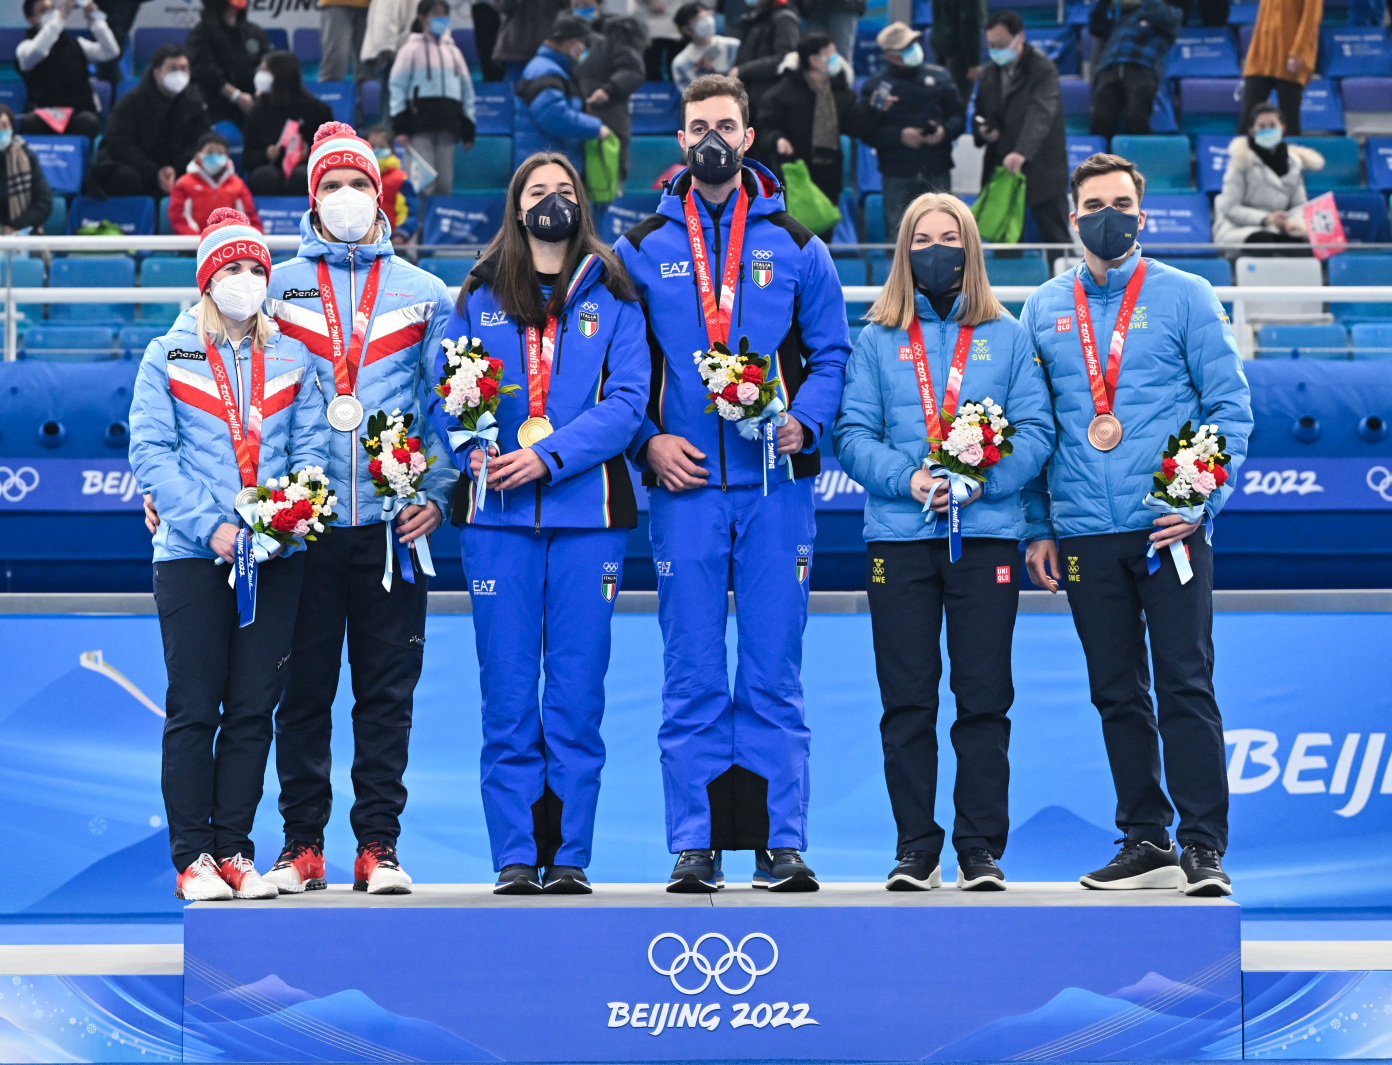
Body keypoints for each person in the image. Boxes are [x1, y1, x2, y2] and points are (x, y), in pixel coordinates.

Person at [614, 74, 850, 893]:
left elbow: (832, 357)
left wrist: (805, 422)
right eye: (697, 125)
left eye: (726, 124)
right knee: (691, 671)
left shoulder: (797, 245)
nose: (712, 136)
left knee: (773, 669)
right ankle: (696, 843)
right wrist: (649, 442)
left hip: (775, 487)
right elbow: (617, 368)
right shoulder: (640, 248)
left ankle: (780, 841)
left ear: (748, 137)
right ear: (680, 141)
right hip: (685, 490)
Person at [1020, 153, 1252, 897]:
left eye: (1122, 202)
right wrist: (1037, 526)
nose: (1108, 215)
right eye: (1095, 203)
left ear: (1141, 215)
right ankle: (1144, 838)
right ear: (1073, 216)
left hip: (1168, 529)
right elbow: (1035, 424)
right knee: (1116, 690)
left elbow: (1229, 408)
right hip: (1085, 530)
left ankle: (1203, 846)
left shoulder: (1187, 295)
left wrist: (1194, 500)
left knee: (1186, 682)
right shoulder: (1042, 307)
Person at [426, 152, 648, 895]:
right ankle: (517, 855)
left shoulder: (615, 290)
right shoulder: (479, 294)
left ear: (580, 203)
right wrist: (476, 445)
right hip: (497, 521)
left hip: (590, 519)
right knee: (510, 692)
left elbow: (626, 404)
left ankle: (571, 856)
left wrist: (548, 457)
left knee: (578, 693)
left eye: (563, 191)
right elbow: (446, 395)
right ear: (516, 208)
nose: (551, 201)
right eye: (535, 191)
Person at [832, 192, 1053, 892]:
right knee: (907, 700)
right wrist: (911, 478)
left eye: (949, 238)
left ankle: (980, 848)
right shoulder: (874, 339)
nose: (936, 250)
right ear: (904, 252)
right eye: (922, 238)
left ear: (970, 249)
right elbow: (851, 436)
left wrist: (979, 485)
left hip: (985, 537)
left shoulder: (1009, 336)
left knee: (984, 696)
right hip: (899, 539)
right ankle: (915, 848)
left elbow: (1037, 432)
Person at [259, 122, 456, 896]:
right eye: (333, 185)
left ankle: (380, 845)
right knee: (300, 692)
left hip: (388, 529)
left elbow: (451, 410)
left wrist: (436, 493)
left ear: (382, 194)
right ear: (313, 197)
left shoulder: (424, 292)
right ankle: (300, 845)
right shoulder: (272, 285)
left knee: (385, 695)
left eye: (360, 184)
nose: (347, 198)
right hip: (302, 533)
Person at [129, 208, 330, 902]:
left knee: (253, 706)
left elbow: (310, 451)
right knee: (195, 705)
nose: (245, 280)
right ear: (207, 279)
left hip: (274, 557)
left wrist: (287, 515)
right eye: (231, 268)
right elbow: (151, 455)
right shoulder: (168, 353)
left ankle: (234, 849)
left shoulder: (293, 359)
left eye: (255, 268)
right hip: (191, 557)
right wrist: (213, 526)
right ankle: (192, 859)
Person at [973, 11, 1072, 252]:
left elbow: (1041, 114)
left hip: (1042, 167)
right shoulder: (988, 73)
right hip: (1002, 168)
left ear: (1020, 38)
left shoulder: (1043, 69)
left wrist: (1021, 152)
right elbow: (980, 113)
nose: (996, 50)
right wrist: (983, 132)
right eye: (992, 45)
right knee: (1003, 240)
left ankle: (1068, 288)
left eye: (1002, 45)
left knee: (1056, 238)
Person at [858, 22, 965, 239]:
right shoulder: (876, 87)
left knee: (945, 232)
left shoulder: (940, 76)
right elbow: (866, 131)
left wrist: (944, 132)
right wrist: (900, 136)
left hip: (936, 167)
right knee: (898, 235)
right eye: (907, 47)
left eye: (914, 44)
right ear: (890, 56)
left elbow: (958, 117)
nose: (915, 49)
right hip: (897, 171)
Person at [756, 33, 857, 234]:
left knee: (823, 235)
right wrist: (778, 138)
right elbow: (764, 128)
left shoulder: (840, 91)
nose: (837, 58)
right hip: (796, 171)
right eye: (830, 54)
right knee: (793, 235)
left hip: (830, 171)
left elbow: (857, 125)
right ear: (813, 60)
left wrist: (875, 109)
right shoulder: (784, 93)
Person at [86, 45, 210, 199]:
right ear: (157, 74)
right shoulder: (131, 102)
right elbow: (120, 144)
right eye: (172, 68)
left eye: (184, 68)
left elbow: (201, 140)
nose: (179, 74)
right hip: (139, 166)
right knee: (126, 178)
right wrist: (154, 172)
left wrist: (175, 168)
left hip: (177, 166)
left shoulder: (195, 102)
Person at [388, 0, 477, 196]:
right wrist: (400, 125)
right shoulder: (409, 50)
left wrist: (468, 125)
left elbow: (466, 90)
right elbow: (397, 88)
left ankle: (436, 226)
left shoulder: (453, 52)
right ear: (422, 18)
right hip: (419, 127)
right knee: (422, 185)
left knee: (444, 185)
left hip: (448, 127)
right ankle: (418, 226)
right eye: (435, 14)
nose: (441, 20)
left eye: (444, 15)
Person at [1213, 104, 1323, 250]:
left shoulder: (1294, 163)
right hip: (1239, 228)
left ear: (1282, 128)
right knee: (1264, 241)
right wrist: (1265, 219)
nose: (1267, 130)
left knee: (1301, 246)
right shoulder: (1241, 162)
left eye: (1272, 125)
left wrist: (1291, 223)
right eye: (1262, 126)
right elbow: (1230, 207)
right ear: (1252, 131)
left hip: (1279, 228)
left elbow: (1299, 206)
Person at [513, 13, 612, 170]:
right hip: (545, 171)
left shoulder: (555, 69)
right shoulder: (544, 71)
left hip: (552, 166)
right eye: (584, 44)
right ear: (572, 44)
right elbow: (555, 117)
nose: (585, 50)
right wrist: (595, 128)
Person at [16, 0, 117, 141]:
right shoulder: (25, 48)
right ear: (31, 20)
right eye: (44, 11)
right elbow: (39, 51)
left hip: (78, 112)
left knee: (88, 122)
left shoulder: (77, 44)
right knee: (30, 124)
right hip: (45, 113)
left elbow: (111, 52)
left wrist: (96, 22)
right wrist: (60, 18)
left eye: (52, 9)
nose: (51, 14)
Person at [573, 0, 647, 189]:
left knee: (609, 184)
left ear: (599, 5)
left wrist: (609, 89)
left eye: (586, 3)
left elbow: (633, 70)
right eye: (576, 4)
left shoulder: (618, 32)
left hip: (610, 114)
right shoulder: (566, 34)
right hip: (577, 117)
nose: (581, 9)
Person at [243, 51, 335, 198]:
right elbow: (247, 158)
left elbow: (331, 154)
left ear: (280, 74)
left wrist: (309, 153)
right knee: (265, 176)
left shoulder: (317, 110)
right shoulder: (258, 111)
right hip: (271, 169)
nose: (260, 75)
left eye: (265, 70)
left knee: (303, 176)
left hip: (305, 167)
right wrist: (266, 154)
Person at [1088, 0, 1182, 139]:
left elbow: (1164, 15)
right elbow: (1096, 26)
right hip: (1110, 67)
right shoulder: (1121, 19)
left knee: (1137, 119)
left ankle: (1138, 158)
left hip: (1142, 68)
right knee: (1101, 121)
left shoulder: (1171, 14)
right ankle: (1102, 159)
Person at [1239, 0, 1321, 135]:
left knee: (1289, 122)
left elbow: (1311, 19)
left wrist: (1298, 52)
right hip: (1261, 58)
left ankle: (1291, 155)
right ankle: (1244, 155)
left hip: (1290, 59)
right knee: (1247, 120)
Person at [185, 0, 270, 129]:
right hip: (217, 107)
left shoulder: (253, 31)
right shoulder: (201, 34)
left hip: (253, 103)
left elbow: (266, 62)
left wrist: (259, 92)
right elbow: (204, 71)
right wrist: (236, 96)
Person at [169, 131, 262, 235]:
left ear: (227, 157)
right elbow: (179, 220)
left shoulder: (238, 185)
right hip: (193, 246)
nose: (215, 157)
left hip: (229, 245)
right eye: (210, 152)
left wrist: (257, 240)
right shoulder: (184, 184)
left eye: (220, 153)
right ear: (198, 156)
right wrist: (201, 242)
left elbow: (251, 220)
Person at [731, 0, 801, 115]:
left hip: (770, 98)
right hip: (750, 94)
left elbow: (786, 58)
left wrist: (743, 70)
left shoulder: (784, 18)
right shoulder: (754, 18)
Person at [0, 105, 53, 237]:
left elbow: (44, 202)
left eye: (4, 126)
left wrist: (15, 228)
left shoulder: (25, 158)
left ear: (12, 129)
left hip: (21, 232)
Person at [366, 125, 420, 246]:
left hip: (393, 244)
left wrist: (401, 234)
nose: (377, 150)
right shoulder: (356, 178)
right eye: (373, 146)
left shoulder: (401, 179)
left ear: (392, 149)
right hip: (364, 243)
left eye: (382, 147)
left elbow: (411, 212)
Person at [670, 1, 739, 92]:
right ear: (686, 29)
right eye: (700, 19)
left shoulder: (733, 45)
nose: (707, 22)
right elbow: (689, 96)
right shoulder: (681, 63)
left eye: (707, 16)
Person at [493, 0, 569, 79]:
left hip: (551, 49)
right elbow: (502, 6)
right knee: (517, 88)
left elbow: (570, 8)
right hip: (517, 51)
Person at [361, 0, 415, 105]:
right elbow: (385, 13)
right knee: (393, 101)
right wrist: (386, 47)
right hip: (395, 51)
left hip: (413, 49)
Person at [928, 0, 981, 101]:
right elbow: (970, 23)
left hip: (939, 46)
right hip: (959, 52)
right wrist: (973, 62)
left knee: (942, 98)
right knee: (957, 101)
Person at [799, 0, 860, 73]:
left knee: (841, 56)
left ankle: (842, 83)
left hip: (844, 6)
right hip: (813, 9)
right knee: (812, 56)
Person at [318, 0, 369, 82]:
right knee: (335, 62)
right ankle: (330, 93)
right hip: (336, 3)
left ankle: (367, 93)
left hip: (371, 6)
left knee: (368, 65)